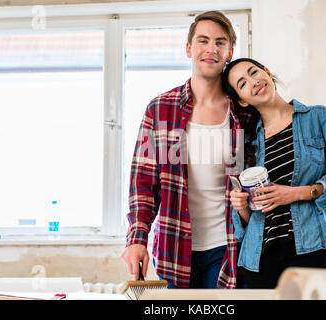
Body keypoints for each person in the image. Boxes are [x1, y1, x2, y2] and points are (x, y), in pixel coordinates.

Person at [121, 11, 243, 289]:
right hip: (174, 248)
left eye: (220, 43)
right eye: (203, 41)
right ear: (189, 48)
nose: (211, 49)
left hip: (229, 249)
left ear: (230, 52)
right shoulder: (160, 109)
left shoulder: (243, 113)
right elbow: (143, 185)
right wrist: (137, 239)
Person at [221, 58, 326, 289]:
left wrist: (295, 193)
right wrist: (242, 206)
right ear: (242, 101)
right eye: (243, 84)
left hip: (315, 251)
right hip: (259, 261)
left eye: (254, 72)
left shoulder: (321, 118)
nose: (254, 82)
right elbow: (251, 217)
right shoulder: (245, 144)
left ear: (266, 72)